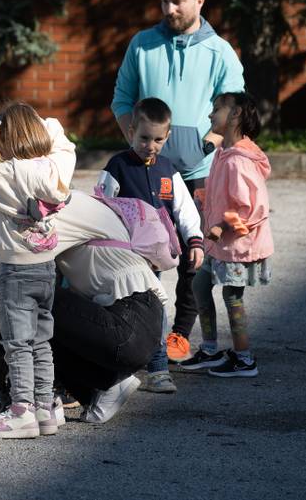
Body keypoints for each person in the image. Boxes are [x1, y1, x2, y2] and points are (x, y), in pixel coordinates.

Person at [110, 0, 245, 362]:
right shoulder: (142, 44)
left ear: (199, 1)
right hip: (146, 171)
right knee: (136, 249)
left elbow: (235, 106)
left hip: (199, 172)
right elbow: (122, 99)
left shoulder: (218, 50)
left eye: (177, 1)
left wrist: (210, 143)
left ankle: (180, 335)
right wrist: (136, 146)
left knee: (194, 255)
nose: (168, 8)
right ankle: (138, 330)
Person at [0, 188, 164, 425]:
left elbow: (6, 265)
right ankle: (103, 386)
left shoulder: (49, 210)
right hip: (131, 324)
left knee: (19, 292)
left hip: (130, 320)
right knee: (32, 318)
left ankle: (21, 401)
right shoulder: (53, 201)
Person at [0, 102, 76, 438]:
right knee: (42, 340)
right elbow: (63, 140)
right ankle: (44, 408)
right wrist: (40, 122)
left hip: (14, 270)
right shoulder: (57, 167)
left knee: (17, 343)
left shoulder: (6, 173)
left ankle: (21, 410)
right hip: (46, 268)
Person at [97, 97, 204, 393]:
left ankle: (157, 370)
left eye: (158, 139)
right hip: (123, 257)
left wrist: (195, 241)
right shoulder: (117, 166)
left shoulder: (168, 170)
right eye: (144, 137)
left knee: (155, 308)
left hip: (155, 259)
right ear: (131, 130)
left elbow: (184, 210)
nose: (150, 145)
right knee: (118, 309)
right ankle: (114, 373)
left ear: (167, 137)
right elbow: (101, 206)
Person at [180, 92, 273, 377]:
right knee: (199, 286)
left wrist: (222, 224)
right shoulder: (223, 153)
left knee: (232, 296)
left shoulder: (239, 161)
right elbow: (227, 194)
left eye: (217, 109)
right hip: (218, 244)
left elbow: (251, 208)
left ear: (235, 115)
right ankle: (210, 349)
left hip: (236, 244)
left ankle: (244, 359)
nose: (210, 115)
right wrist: (205, 199)